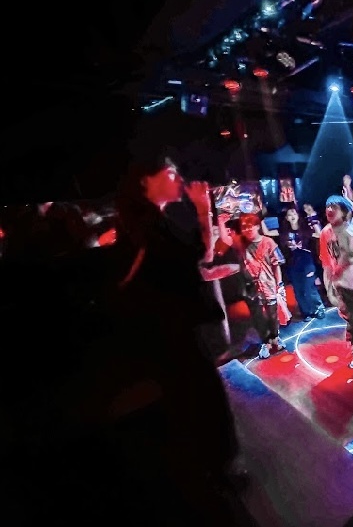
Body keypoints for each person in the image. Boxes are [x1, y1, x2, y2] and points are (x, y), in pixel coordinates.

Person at [110, 152, 243, 525]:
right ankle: (216, 479)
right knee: (201, 400)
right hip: (172, 334)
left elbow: (189, 261)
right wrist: (203, 210)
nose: (178, 177)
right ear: (145, 181)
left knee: (194, 400)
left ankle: (212, 474)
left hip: (168, 333)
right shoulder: (148, 227)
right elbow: (198, 255)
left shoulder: (148, 223)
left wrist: (203, 214)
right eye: (169, 172)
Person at [319, 195, 353, 368]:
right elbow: (326, 261)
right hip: (338, 284)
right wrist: (329, 285)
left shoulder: (350, 231)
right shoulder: (325, 233)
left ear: (343, 211)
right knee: (348, 318)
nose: (329, 209)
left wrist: (346, 263)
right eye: (327, 206)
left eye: (334, 206)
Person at [230, 212, 287, 360]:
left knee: (273, 314)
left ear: (257, 226)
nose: (247, 230)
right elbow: (226, 239)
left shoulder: (268, 242)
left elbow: (276, 265)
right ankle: (266, 343)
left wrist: (279, 284)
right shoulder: (241, 244)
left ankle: (275, 338)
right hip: (251, 288)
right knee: (258, 317)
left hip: (269, 285)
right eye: (244, 227)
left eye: (250, 226)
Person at [279, 207, 325, 322]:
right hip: (293, 262)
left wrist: (312, 217)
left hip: (306, 261)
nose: (292, 216)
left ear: (298, 216)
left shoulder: (305, 229)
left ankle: (318, 308)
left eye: (294, 213)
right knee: (298, 289)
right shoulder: (284, 232)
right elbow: (267, 232)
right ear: (286, 218)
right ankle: (306, 312)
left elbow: (319, 234)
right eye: (289, 214)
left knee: (309, 286)